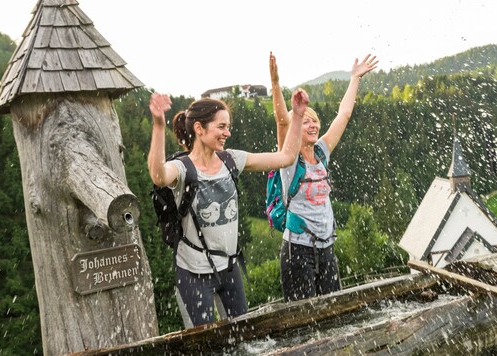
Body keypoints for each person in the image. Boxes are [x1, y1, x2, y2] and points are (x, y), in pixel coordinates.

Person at [148, 88, 309, 327]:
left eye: (228, 126)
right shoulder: (182, 169)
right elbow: (159, 176)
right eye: (221, 127)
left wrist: (297, 115)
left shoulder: (231, 159)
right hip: (193, 273)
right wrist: (159, 126)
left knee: (243, 339)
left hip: (230, 268)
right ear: (199, 129)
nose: (228, 133)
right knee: (202, 346)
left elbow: (285, 157)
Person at [269, 52, 378, 302]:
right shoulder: (288, 158)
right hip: (297, 250)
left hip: (326, 247)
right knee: (303, 319)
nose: (312, 126)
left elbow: (344, 115)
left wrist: (354, 79)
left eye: (315, 121)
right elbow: (282, 121)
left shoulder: (322, 150)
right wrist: (275, 84)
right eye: (305, 122)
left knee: (333, 312)